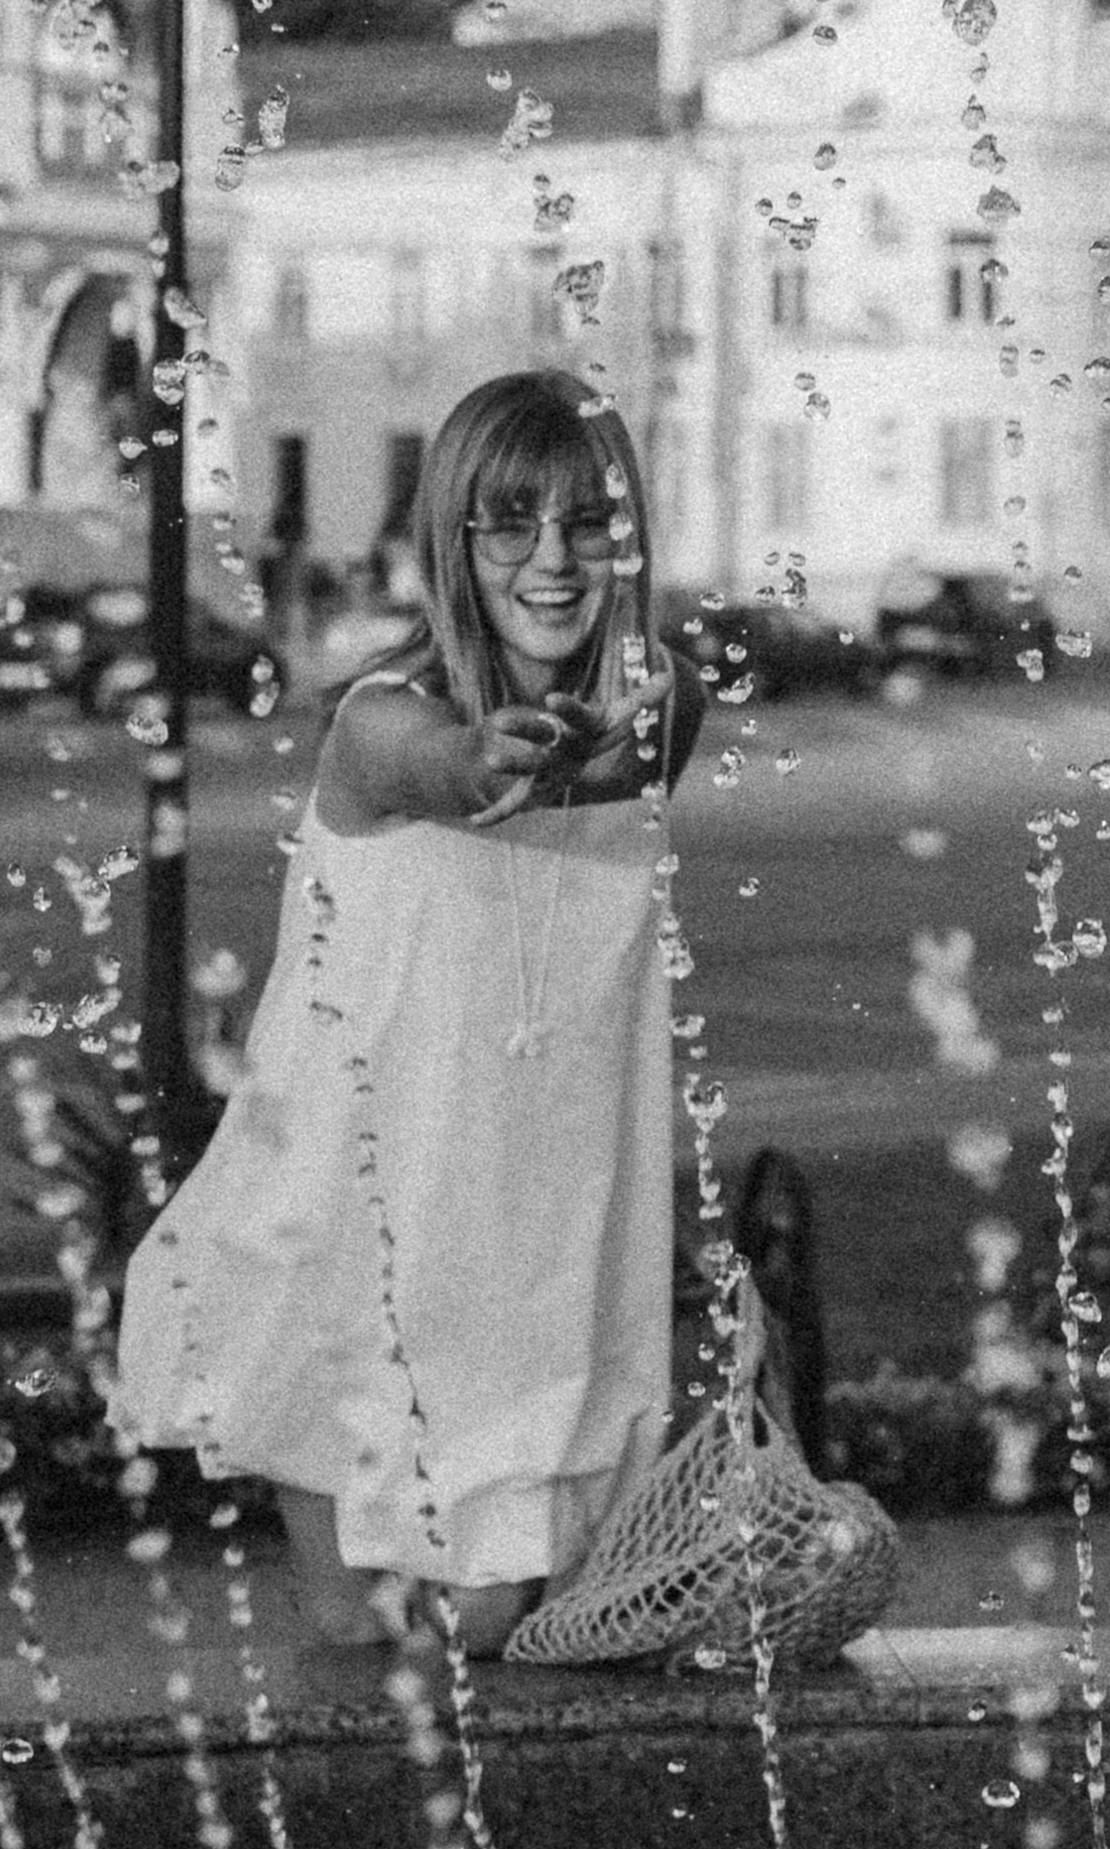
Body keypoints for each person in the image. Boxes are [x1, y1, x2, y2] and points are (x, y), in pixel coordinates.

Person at [115, 368, 703, 1652]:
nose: (553, 560)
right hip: (357, 1247)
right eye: (509, 525)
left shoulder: (654, 712)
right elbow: (439, 767)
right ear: (453, 538)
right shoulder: (379, 728)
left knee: (512, 1642)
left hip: (542, 1261)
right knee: (393, 1656)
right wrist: (489, 757)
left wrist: (578, 740)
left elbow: (638, 738)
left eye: (587, 524)